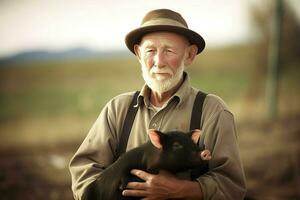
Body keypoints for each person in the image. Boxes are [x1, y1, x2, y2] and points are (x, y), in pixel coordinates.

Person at [69, 8, 247, 200]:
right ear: (138, 53)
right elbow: (84, 173)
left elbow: (232, 186)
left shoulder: (212, 111)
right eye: (150, 50)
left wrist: (183, 190)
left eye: (169, 50)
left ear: (189, 55)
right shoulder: (117, 109)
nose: (158, 61)